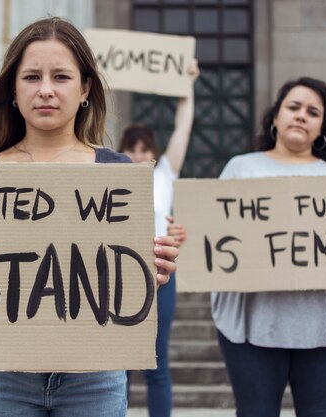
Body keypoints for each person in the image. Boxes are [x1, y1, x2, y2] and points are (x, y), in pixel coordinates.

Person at [0, 17, 178, 417]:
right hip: (1, 373)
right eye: (32, 77)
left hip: (95, 372)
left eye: (61, 76)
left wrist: (154, 269)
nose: (47, 90)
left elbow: (126, 277)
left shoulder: (118, 172)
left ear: (85, 88)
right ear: (14, 91)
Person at [170, 77, 326, 417]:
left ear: (323, 126)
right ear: (275, 117)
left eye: (312, 112)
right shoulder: (241, 168)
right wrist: (187, 234)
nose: (301, 116)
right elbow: (213, 232)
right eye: (293, 107)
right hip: (252, 330)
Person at [118, 60, 199, 417]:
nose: (138, 155)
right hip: (117, 274)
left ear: (153, 152)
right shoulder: (109, 174)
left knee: (156, 363)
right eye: (131, 149)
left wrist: (188, 85)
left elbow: (184, 127)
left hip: (159, 274)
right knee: (117, 364)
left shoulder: (165, 173)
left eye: (144, 148)